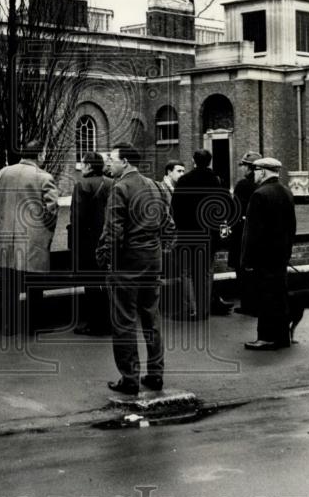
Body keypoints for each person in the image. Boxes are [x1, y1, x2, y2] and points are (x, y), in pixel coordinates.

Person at [96, 144, 175, 394]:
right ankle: (155, 374)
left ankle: (130, 378)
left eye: (112, 159)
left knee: (124, 321)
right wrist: (158, 250)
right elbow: (168, 225)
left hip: (127, 264)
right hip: (152, 261)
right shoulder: (155, 186)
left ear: (126, 162)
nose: (109, 163)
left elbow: (114, 231)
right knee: (151, 319)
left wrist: (108, 261)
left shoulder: (120, 188)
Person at [0, 140, 59, 335]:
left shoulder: (4, 172)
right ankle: (33, 326)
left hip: (8, 236)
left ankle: (8, 326)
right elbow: (52, 209)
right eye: (44, 152)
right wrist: (47, 230)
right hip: (34, 238)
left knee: (9, 284)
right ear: (39, 154)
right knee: (35, 285)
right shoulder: (44, 177)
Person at [241, 157, 296, 351]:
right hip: (281, 256)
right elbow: (292, 228)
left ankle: (265, 337)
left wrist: (246, 260)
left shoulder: (259, 194)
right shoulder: (287, 192)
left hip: (263, 257)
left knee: (265, 297)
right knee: (280, 297)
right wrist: (287, 252)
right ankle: (282, 337)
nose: (254, 174)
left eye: (256, 171)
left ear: (263, 172)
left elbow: (252, 232)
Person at [172, 149, 233, 318]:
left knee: (186, 272)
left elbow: (175, 209)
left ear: (193, 161)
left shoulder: (184, 180)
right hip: (209, 235)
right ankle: (204, 310)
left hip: (187, 233)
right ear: (210, 162)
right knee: (206, 272)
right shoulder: (217, 180)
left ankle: (191, 309)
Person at [69, 151, 112, 336]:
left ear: (88, 166)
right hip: (107, 240)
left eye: (83, 163)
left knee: (91, 284)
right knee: (106, 283)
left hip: (88, 243)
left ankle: (95, 324)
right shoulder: (111, 183)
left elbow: (77, 217)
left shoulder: (82, 185)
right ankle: (108, 321)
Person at [160, 159, 195, 320]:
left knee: (180, 272)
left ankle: (182, 306)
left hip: (176, 236)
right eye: (179, 171)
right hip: (168, 236)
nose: (182, 174)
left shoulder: (179, 188)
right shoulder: (162, 189)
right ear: (169, 172)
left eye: (183, 171)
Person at [231, 151, 262, 315]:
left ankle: (248, 305)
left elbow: (234, 210)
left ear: (250, 168)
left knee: (242, 271)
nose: (242, 168)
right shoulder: (263, 185)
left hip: (242, 235)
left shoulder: (242, 185)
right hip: (259, 236)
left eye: (243, 165)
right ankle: (257, 304)